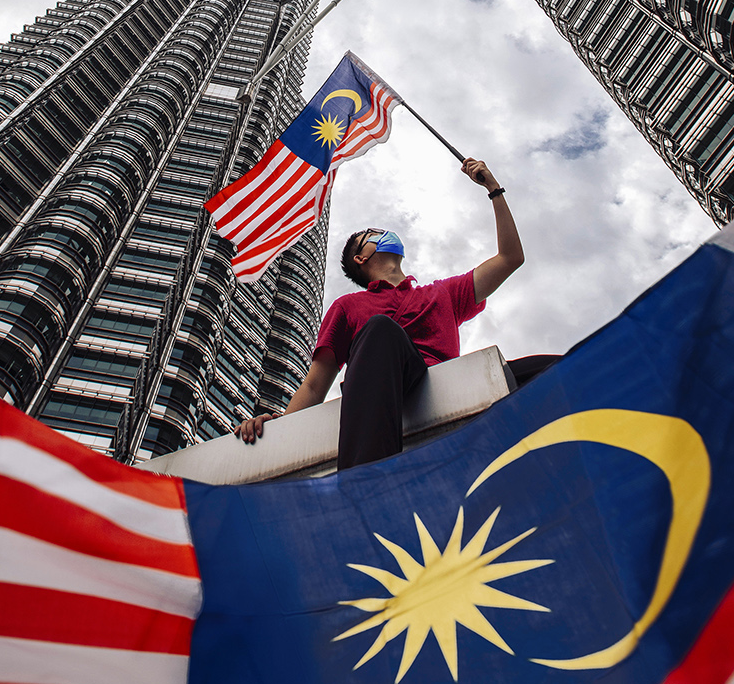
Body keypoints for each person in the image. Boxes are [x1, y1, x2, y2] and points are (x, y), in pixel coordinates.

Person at [236, 157, 554, 470]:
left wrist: (494, 189)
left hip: (442, 388)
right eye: (371, 234)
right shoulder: (348, 306)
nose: (382, 232)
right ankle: (364, 482)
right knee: (380, 330)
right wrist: (279, 427)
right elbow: (315, 386)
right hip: (378, 392)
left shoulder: (443, 293)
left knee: (556, 367)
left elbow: (510, 258)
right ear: (361, 258)